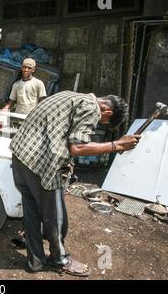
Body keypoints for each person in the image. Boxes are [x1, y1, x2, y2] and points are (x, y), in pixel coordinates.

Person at [11, 91, 140, 277]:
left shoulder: (70, 95)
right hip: (41, 165)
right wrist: (116, 145)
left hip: (20, 155)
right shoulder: (91, 107)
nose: (98, 123)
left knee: (31, 212)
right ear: (107, 112)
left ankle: (36, 261)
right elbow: (78, 147)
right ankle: (59, 259)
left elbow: (57, 131)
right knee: (55, 217)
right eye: (102, 122)